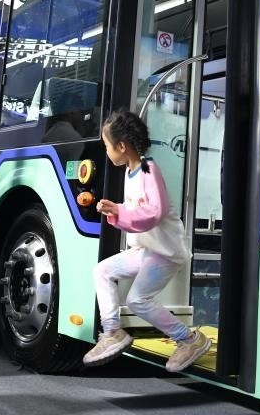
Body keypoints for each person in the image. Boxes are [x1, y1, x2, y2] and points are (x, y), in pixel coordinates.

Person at [83, 109, 212, 372]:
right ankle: (112, 332)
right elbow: (138, 211)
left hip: (165, 252)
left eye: (107, 146)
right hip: (148, 250)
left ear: (121, 146)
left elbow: (154, 213)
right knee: (102, 271)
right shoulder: (131, 171)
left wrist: (119, 212)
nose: (106, 152)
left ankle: (190, 340)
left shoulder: (148, 170)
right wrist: (116, 209)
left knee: (137, 300)